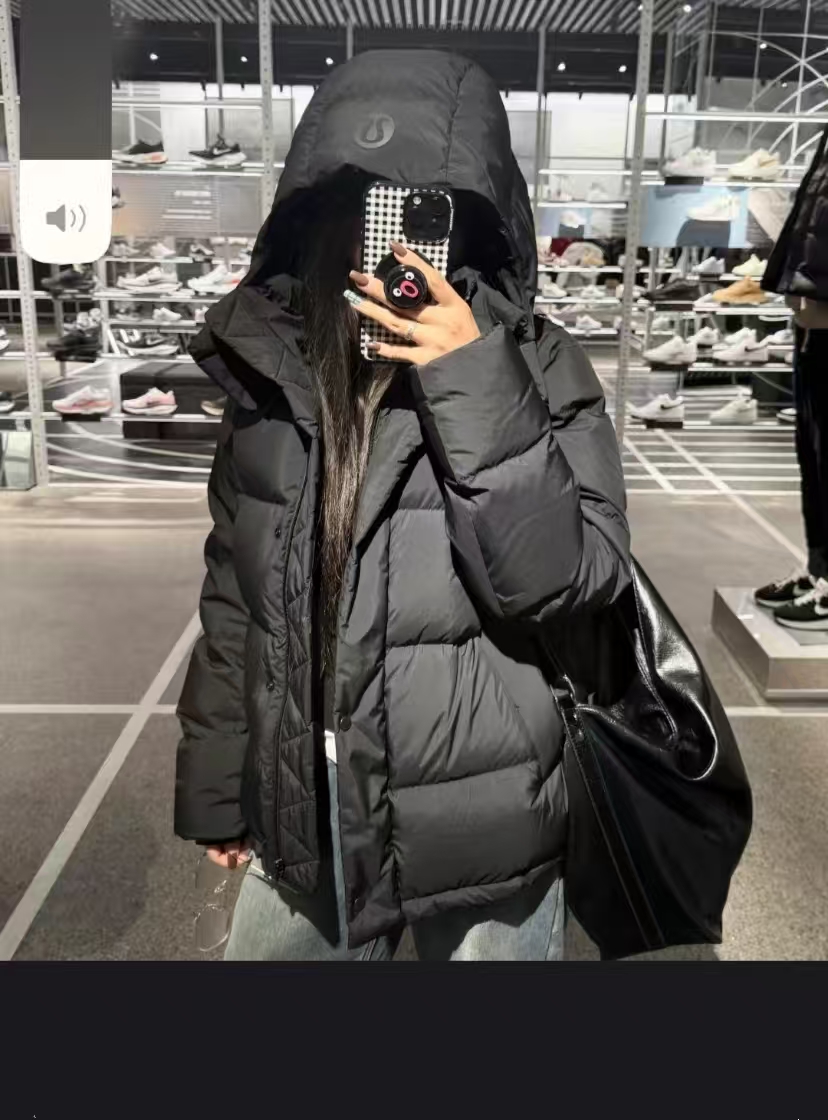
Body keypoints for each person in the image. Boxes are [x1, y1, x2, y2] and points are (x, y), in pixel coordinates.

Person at [174, 50, 630, 961]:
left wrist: (473, 376)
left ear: (480, 217)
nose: (393, 240)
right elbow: (235, 597)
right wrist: (219, 785)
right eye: (366, 202)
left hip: (488, 814)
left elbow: (569, 580)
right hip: (306, 806)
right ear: (318, 212)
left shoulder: (537, 364)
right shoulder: (271, 365)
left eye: (432, 209)